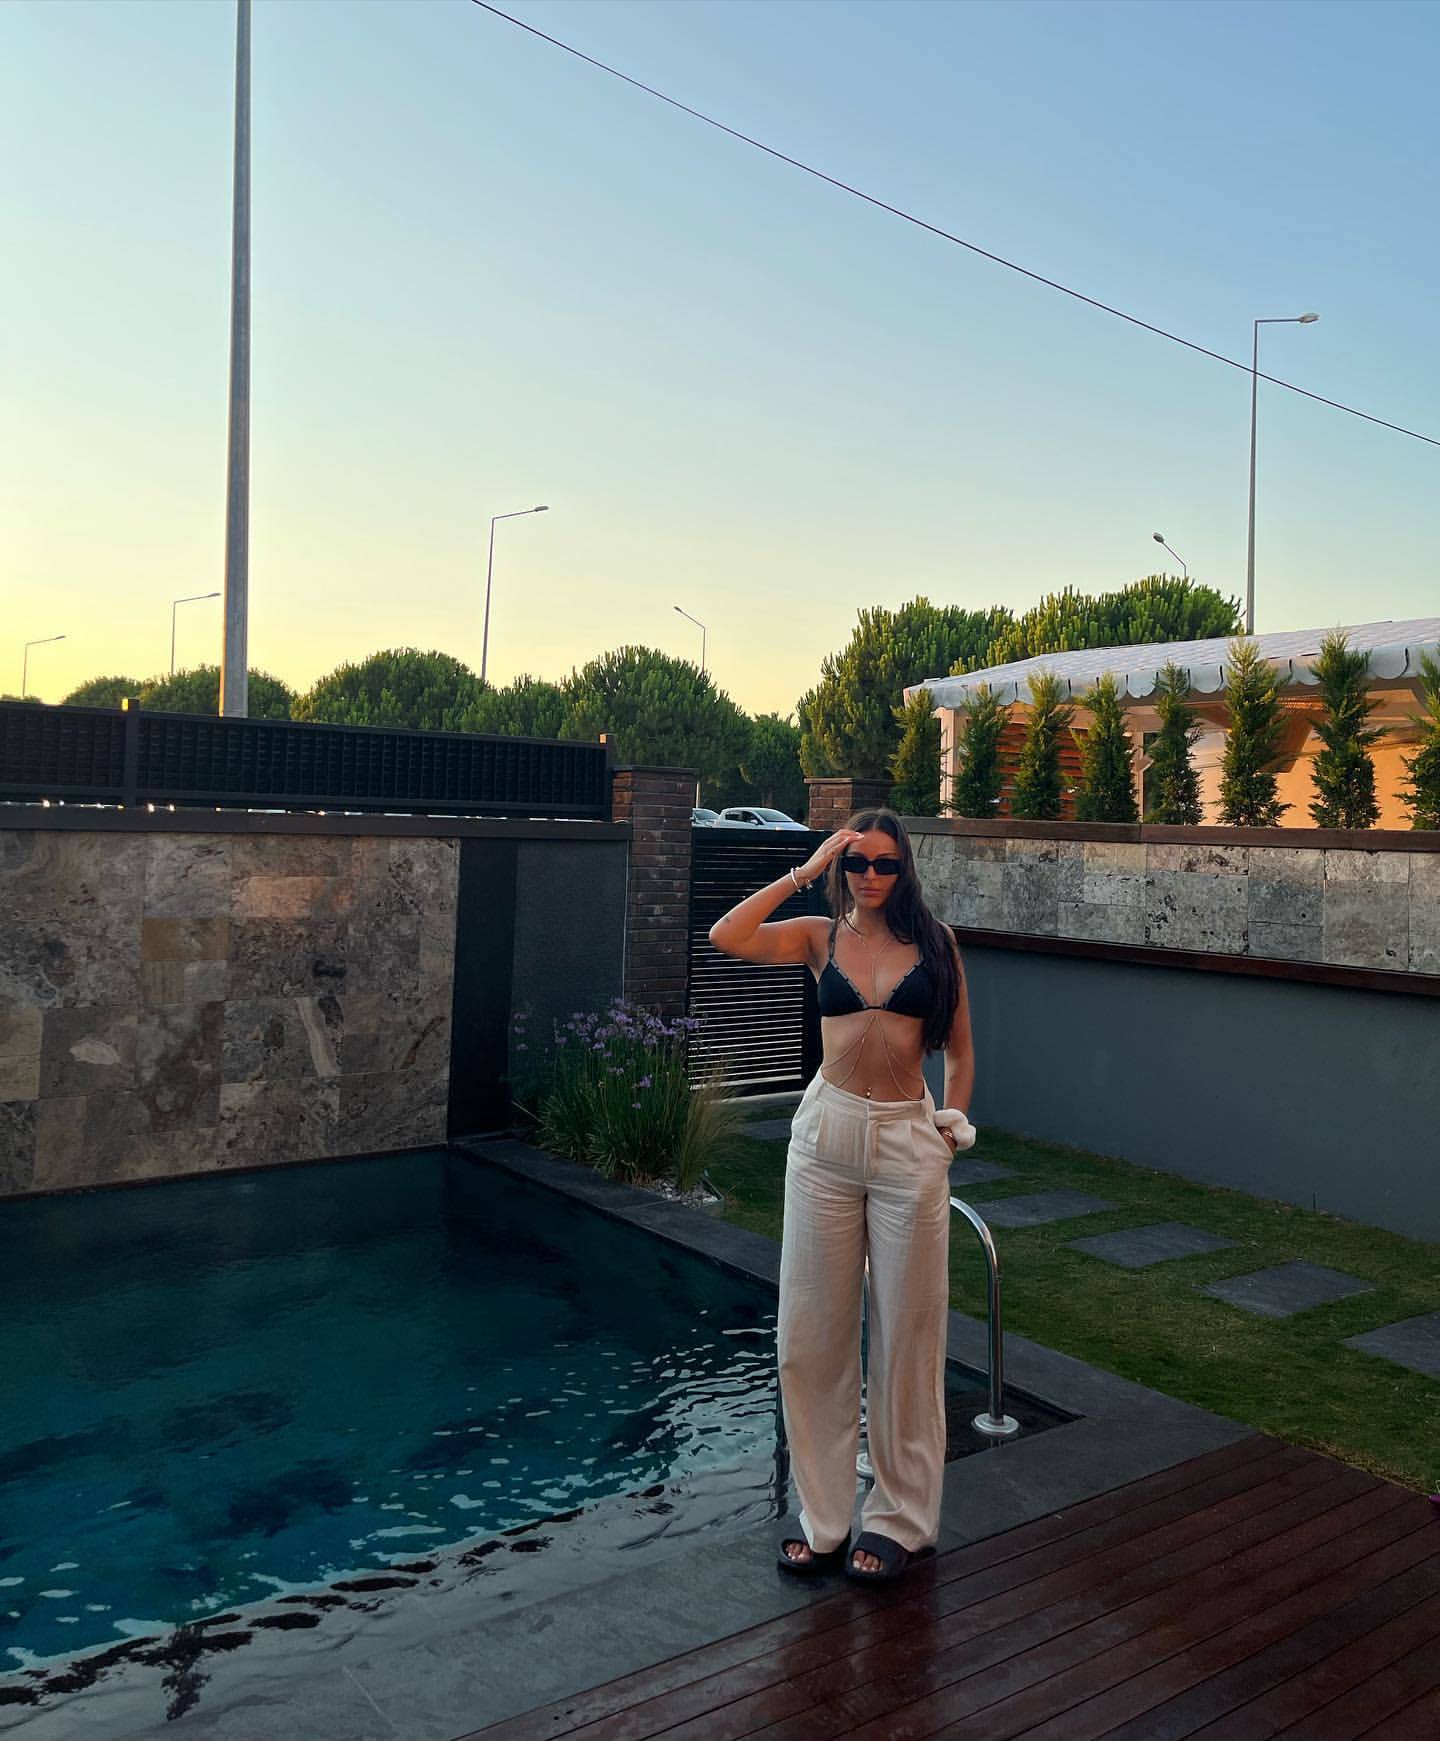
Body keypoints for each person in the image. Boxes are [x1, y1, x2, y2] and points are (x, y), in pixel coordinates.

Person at [708, 808, 975, 1586]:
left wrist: (949, 1129)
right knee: (810, 1335)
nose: (870, 876)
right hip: (824, 1140)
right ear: (841, 867)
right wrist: (804, 867)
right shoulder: (818, 937)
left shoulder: (937, 944)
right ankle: (824, 1521)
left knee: (907, 1334)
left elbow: (960, 1053)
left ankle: (900, 1520)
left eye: (885, 863)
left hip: (905, 1140)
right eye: (857, 863)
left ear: (905, 868)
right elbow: (727, 933)